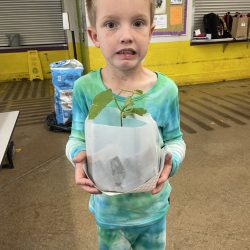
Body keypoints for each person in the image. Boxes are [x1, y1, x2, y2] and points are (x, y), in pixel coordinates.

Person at [66, 0, 186, 249]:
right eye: (111, 24)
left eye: (138, 23)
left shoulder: (166, 91)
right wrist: (78, 156)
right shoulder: (86, 90)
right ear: (94, 35)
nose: (126, 36)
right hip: (108, 213)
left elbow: (175, 140)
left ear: (151, 32)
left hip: (152, 210)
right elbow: (77, 138)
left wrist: (170, 161)